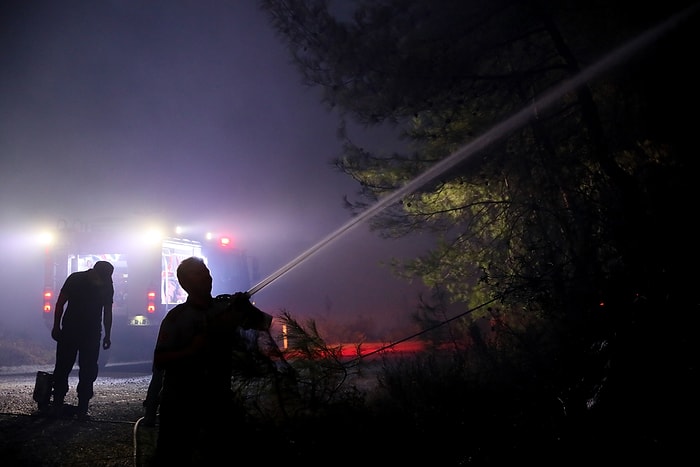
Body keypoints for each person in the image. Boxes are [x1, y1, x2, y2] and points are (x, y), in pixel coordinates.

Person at [151, 256, 272, 466]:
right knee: (173, 456)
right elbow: (160, 359)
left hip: (217, 398)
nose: (206, 277)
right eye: (199, 274)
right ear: (186, 283)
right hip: (181, 402)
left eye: (206, 272)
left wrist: (246, 308)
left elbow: (264, 324)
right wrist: (191, 350)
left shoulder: (224, 309)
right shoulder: (177, 318)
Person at [50, 260, 114, 419]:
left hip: (77, 331)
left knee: (71, 368)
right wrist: (107, 335)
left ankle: (68, 405)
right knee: (81, 368)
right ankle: (77, 407)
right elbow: (107, 312)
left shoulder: (76, 279)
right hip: (84, 333)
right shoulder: (100, 283)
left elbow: (60, 303)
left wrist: (57, 326)